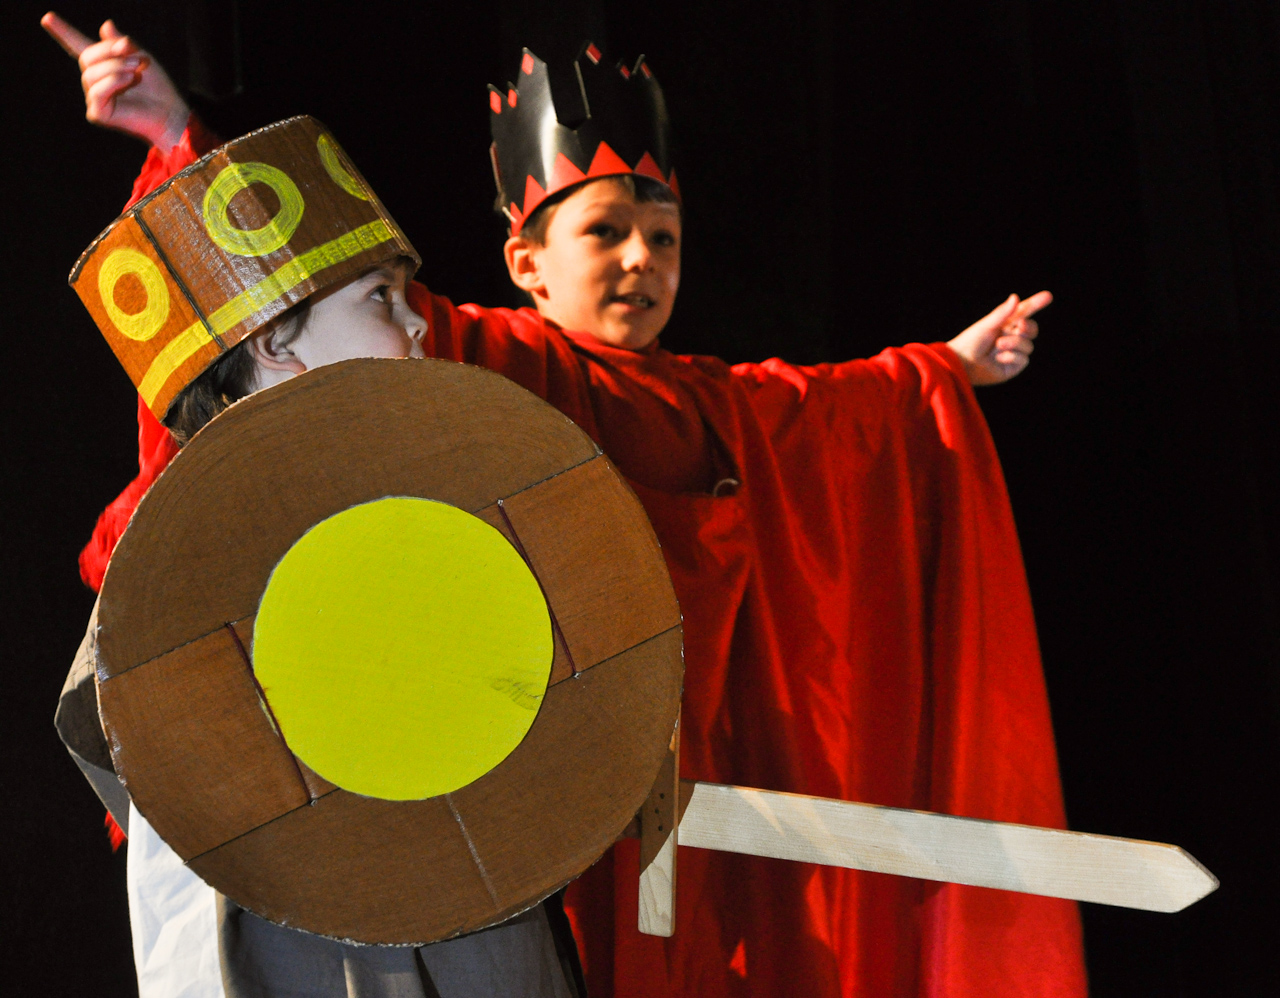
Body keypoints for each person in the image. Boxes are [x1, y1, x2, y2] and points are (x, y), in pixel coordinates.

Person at [45, 12, 1087, 998]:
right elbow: (272, 315)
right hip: (477, 800)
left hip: (637, 793)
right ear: (526, 262)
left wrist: (941, 369)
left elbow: (823, 407)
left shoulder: (714, 401)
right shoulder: (471, 356)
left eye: (664, 236)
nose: (641, 259)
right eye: (606, 231)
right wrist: (176, 137)